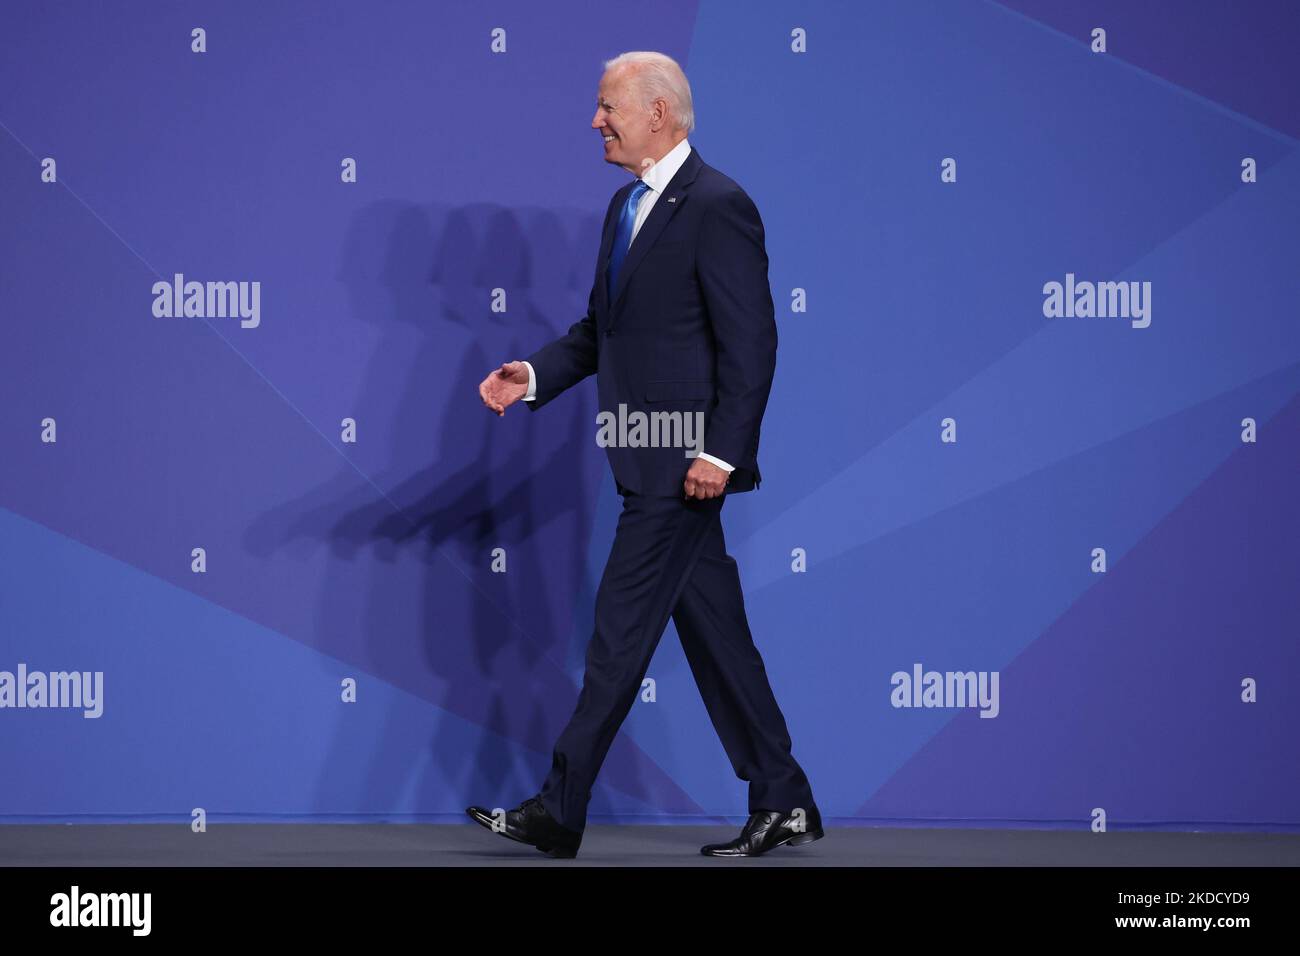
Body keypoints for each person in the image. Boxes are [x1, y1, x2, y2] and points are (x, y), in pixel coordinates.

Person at [467, 50, 821, 858]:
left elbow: (753, 342)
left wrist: (722, 454)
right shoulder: (623, 209)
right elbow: (602, 333)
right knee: (717, 637)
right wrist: (531, 375)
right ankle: (784, 796)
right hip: (646, 461)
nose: (597, 121)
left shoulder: (719, 205)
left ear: (658, 113)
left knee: (618, 639)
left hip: (681, 468)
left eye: (607, 107)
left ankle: (560, 807)